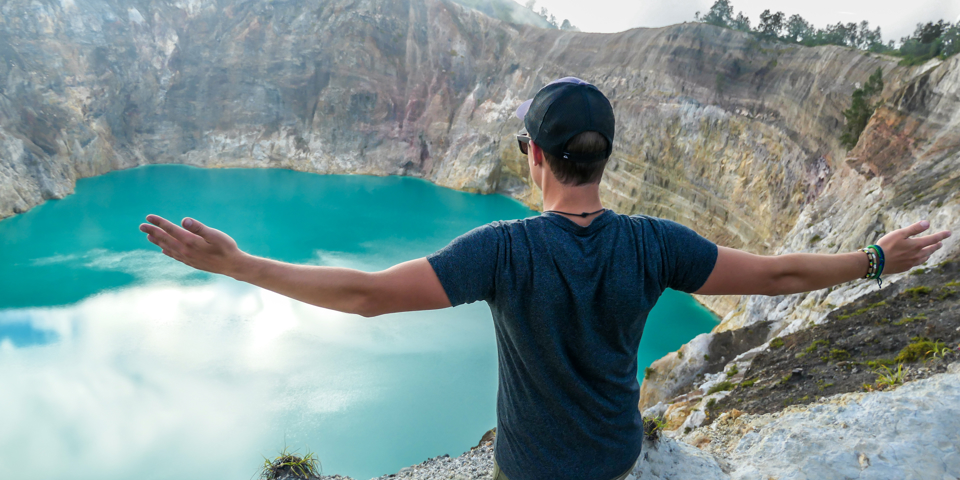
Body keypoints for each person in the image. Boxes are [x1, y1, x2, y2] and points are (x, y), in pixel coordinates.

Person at [138, 77, 951, 480]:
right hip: (617, 461)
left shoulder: (503, 249)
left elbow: (368, 296)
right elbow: (775, 276)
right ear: (604, 158)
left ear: (533, 156)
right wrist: (877, 258)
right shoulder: (653, 244)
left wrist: (238, 264)